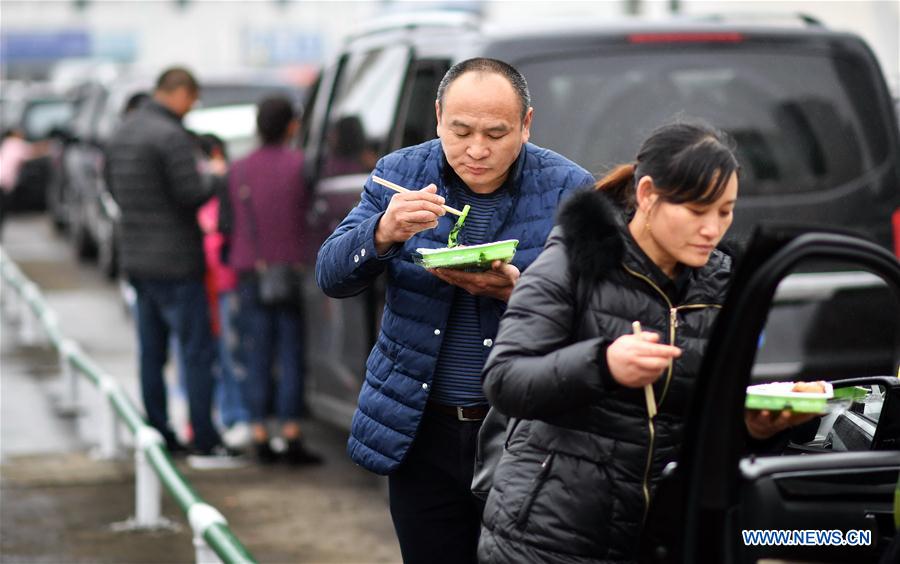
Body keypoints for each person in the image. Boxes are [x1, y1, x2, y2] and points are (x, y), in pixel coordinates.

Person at [477, 121, 816, 563]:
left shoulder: (724, 286)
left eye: (725, 211)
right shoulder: (573, 262)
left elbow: (704, 422)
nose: (712, 229)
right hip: (551, 538)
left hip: (666, 536)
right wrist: (603, 363)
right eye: (697, 210)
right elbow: (505, 379)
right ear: (647, 195)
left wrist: (756, 428)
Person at [316, 58, 595, 564]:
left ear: (526, 125)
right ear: (439, 117)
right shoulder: (400, 174)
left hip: (523, 433)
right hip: (421, 427)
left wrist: (518, 292)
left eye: (496, 133)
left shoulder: (569, 189)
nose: (477, 150)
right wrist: (383, 231)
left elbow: (598, 313)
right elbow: (331, 276)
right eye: (461, 131)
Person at [105, 67, 242, 467]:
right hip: (178, 263)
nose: (192, 107)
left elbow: (112, 188)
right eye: (192, 99)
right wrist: (216, 176)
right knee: (197, 352)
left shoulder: (122, 132)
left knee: (151, 352)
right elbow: (190, 193)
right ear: (180, 92)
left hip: (136, 259)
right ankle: (204, 438)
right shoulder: (171, 135)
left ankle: (159, 432)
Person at [221, 96, 320, 465]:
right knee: (292, 351)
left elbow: (227, 223)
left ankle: (259, 430)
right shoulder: (301, 165)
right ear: (291, 125)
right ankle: (291, 431)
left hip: (251, 270)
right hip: (293, 269)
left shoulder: (238, 169)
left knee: (255, 351)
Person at [195, 133, 251, 449]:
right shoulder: (198, 190)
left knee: (232, 355)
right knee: (209, 355)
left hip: (226, 282)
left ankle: (237, 416)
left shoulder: (228, 186)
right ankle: (217, 416)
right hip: (203, 283)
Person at [0, 128, 33, 236]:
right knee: (2, 210)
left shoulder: (7, 143)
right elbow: (32, 152)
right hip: (4, 181)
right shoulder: (16, 144)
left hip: (3, 180)